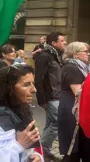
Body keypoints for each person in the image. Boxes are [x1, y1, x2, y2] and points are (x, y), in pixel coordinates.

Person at [0, 65, 43, 162]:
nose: (34, 89)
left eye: (32, 83)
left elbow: (30, 148)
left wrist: (36, 156)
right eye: (26, 85)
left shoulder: (22, 111)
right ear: (9, 89)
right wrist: (19, 145)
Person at [35, 32, 67, 161]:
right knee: (56, 123)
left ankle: (44, 151)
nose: (64, 43)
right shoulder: (45, 56)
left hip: (58, 95)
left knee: (50, 124)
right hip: (51, 96)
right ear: (53, 43)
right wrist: (41, 98)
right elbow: (38, 79)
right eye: (62, 41)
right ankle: (43, 149)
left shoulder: (57, 56)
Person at [58, 42, 90, 161]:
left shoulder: (81, 67)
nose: (88, 54)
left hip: (78, 106)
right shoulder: (71, 68)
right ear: (75, 54)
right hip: (72, 108)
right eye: (85, 51)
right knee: (72, 146)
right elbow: (79, 91)